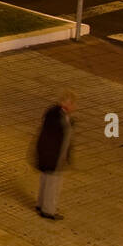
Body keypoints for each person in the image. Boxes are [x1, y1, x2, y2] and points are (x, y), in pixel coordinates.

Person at [34, 92, 76, 220]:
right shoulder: (60, 117)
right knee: (53, 183)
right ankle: (48, 210)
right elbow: (60, 138)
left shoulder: (54, 114)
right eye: (72, 103)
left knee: (46, 179)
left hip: (48, 154)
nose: (74, 106)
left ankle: (41, 204)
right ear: (66, 104)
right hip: (54, 156)